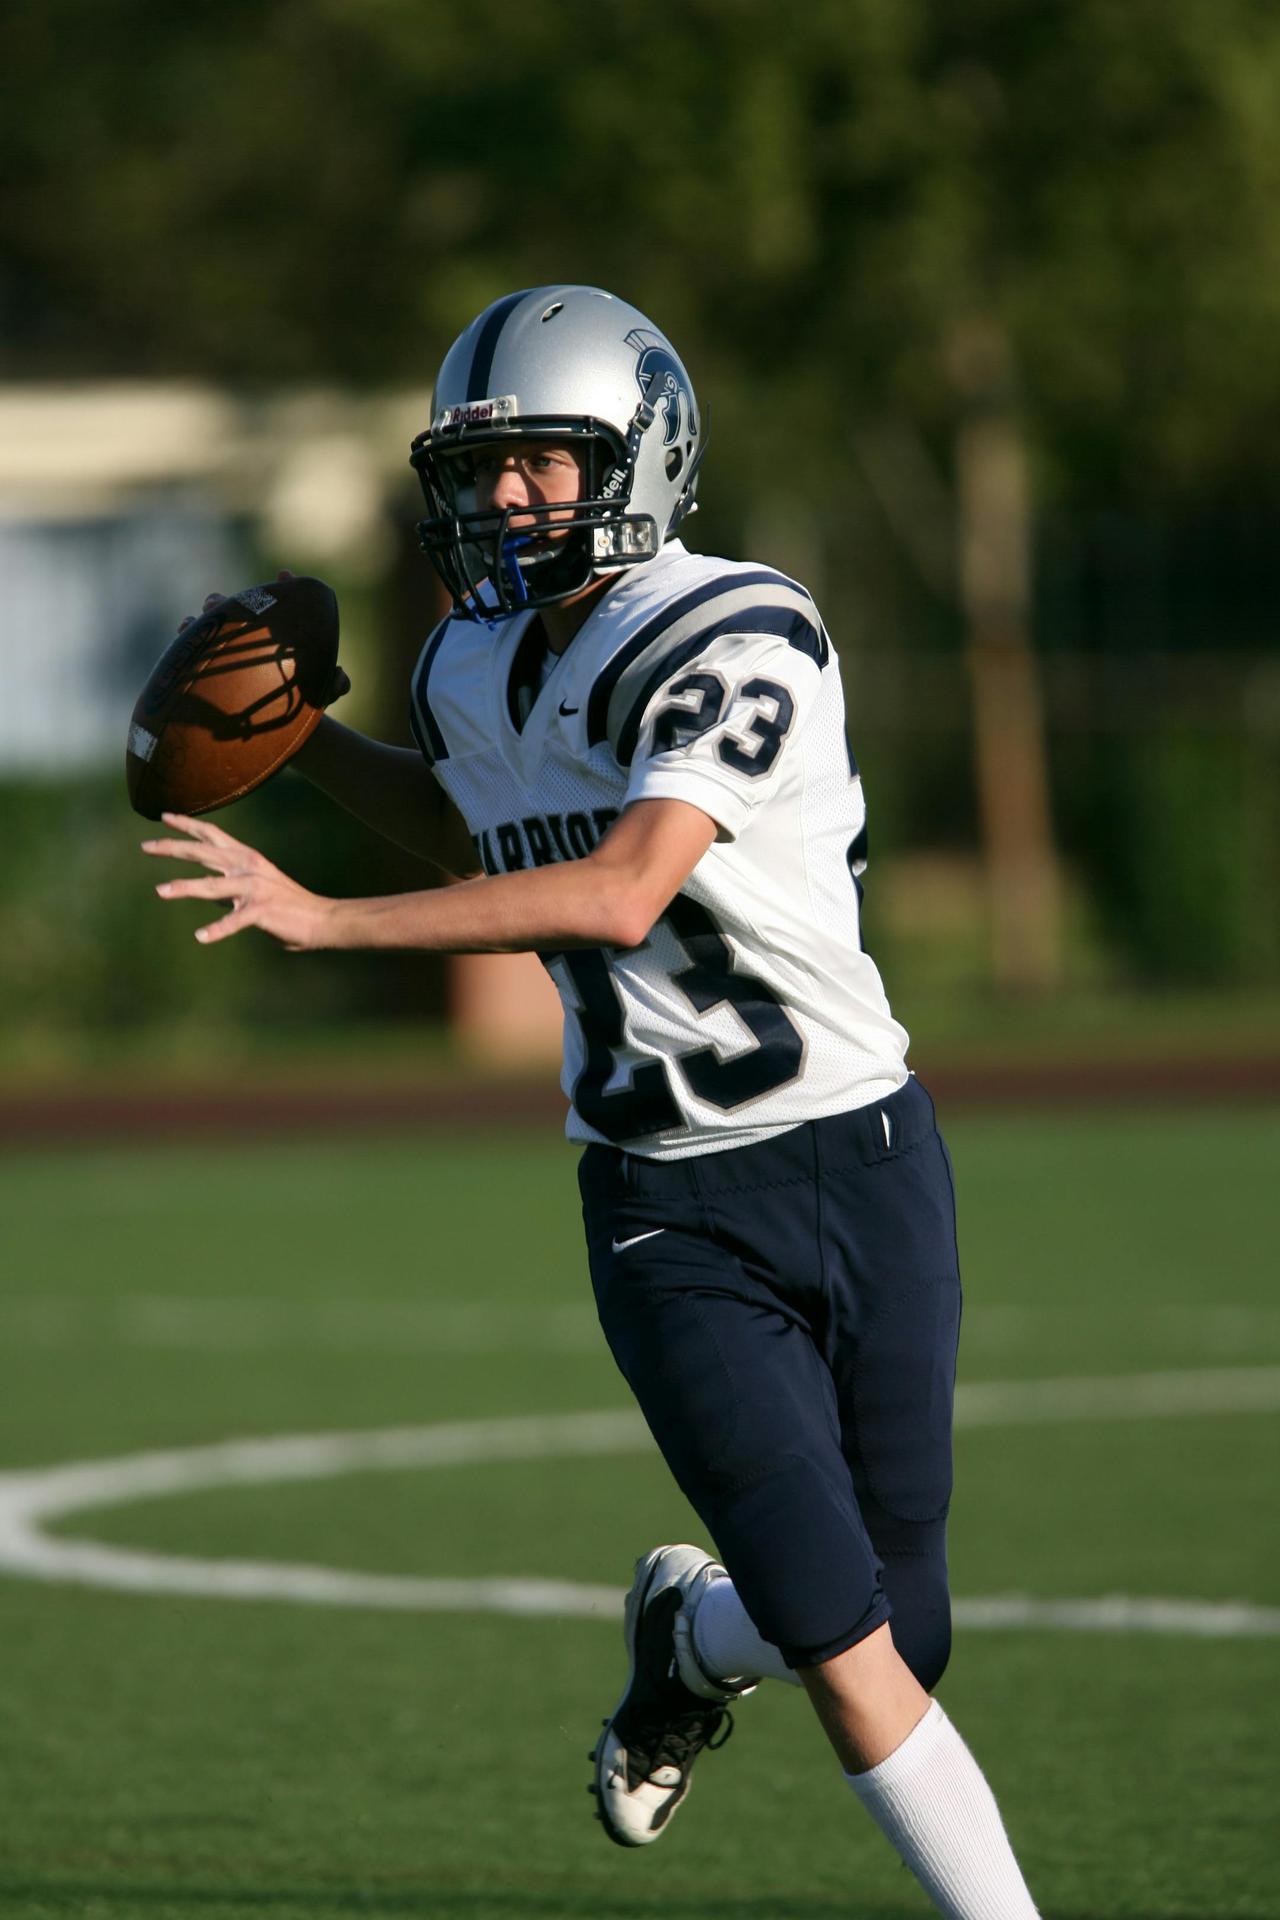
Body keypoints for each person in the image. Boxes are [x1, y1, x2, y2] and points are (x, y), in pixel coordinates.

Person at [145, 284, 1041, 1919]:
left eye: (546, 465)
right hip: (665, 1202)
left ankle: (689, 1639)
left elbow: (624, 888)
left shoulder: (738, 629)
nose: (505, 500)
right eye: (483, 470)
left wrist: (327, 919)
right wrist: (300, 746)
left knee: (902, 1629)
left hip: (864, 1153)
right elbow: (488, 836)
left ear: (642, 456)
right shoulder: (469, 667)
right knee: (849, 1655)